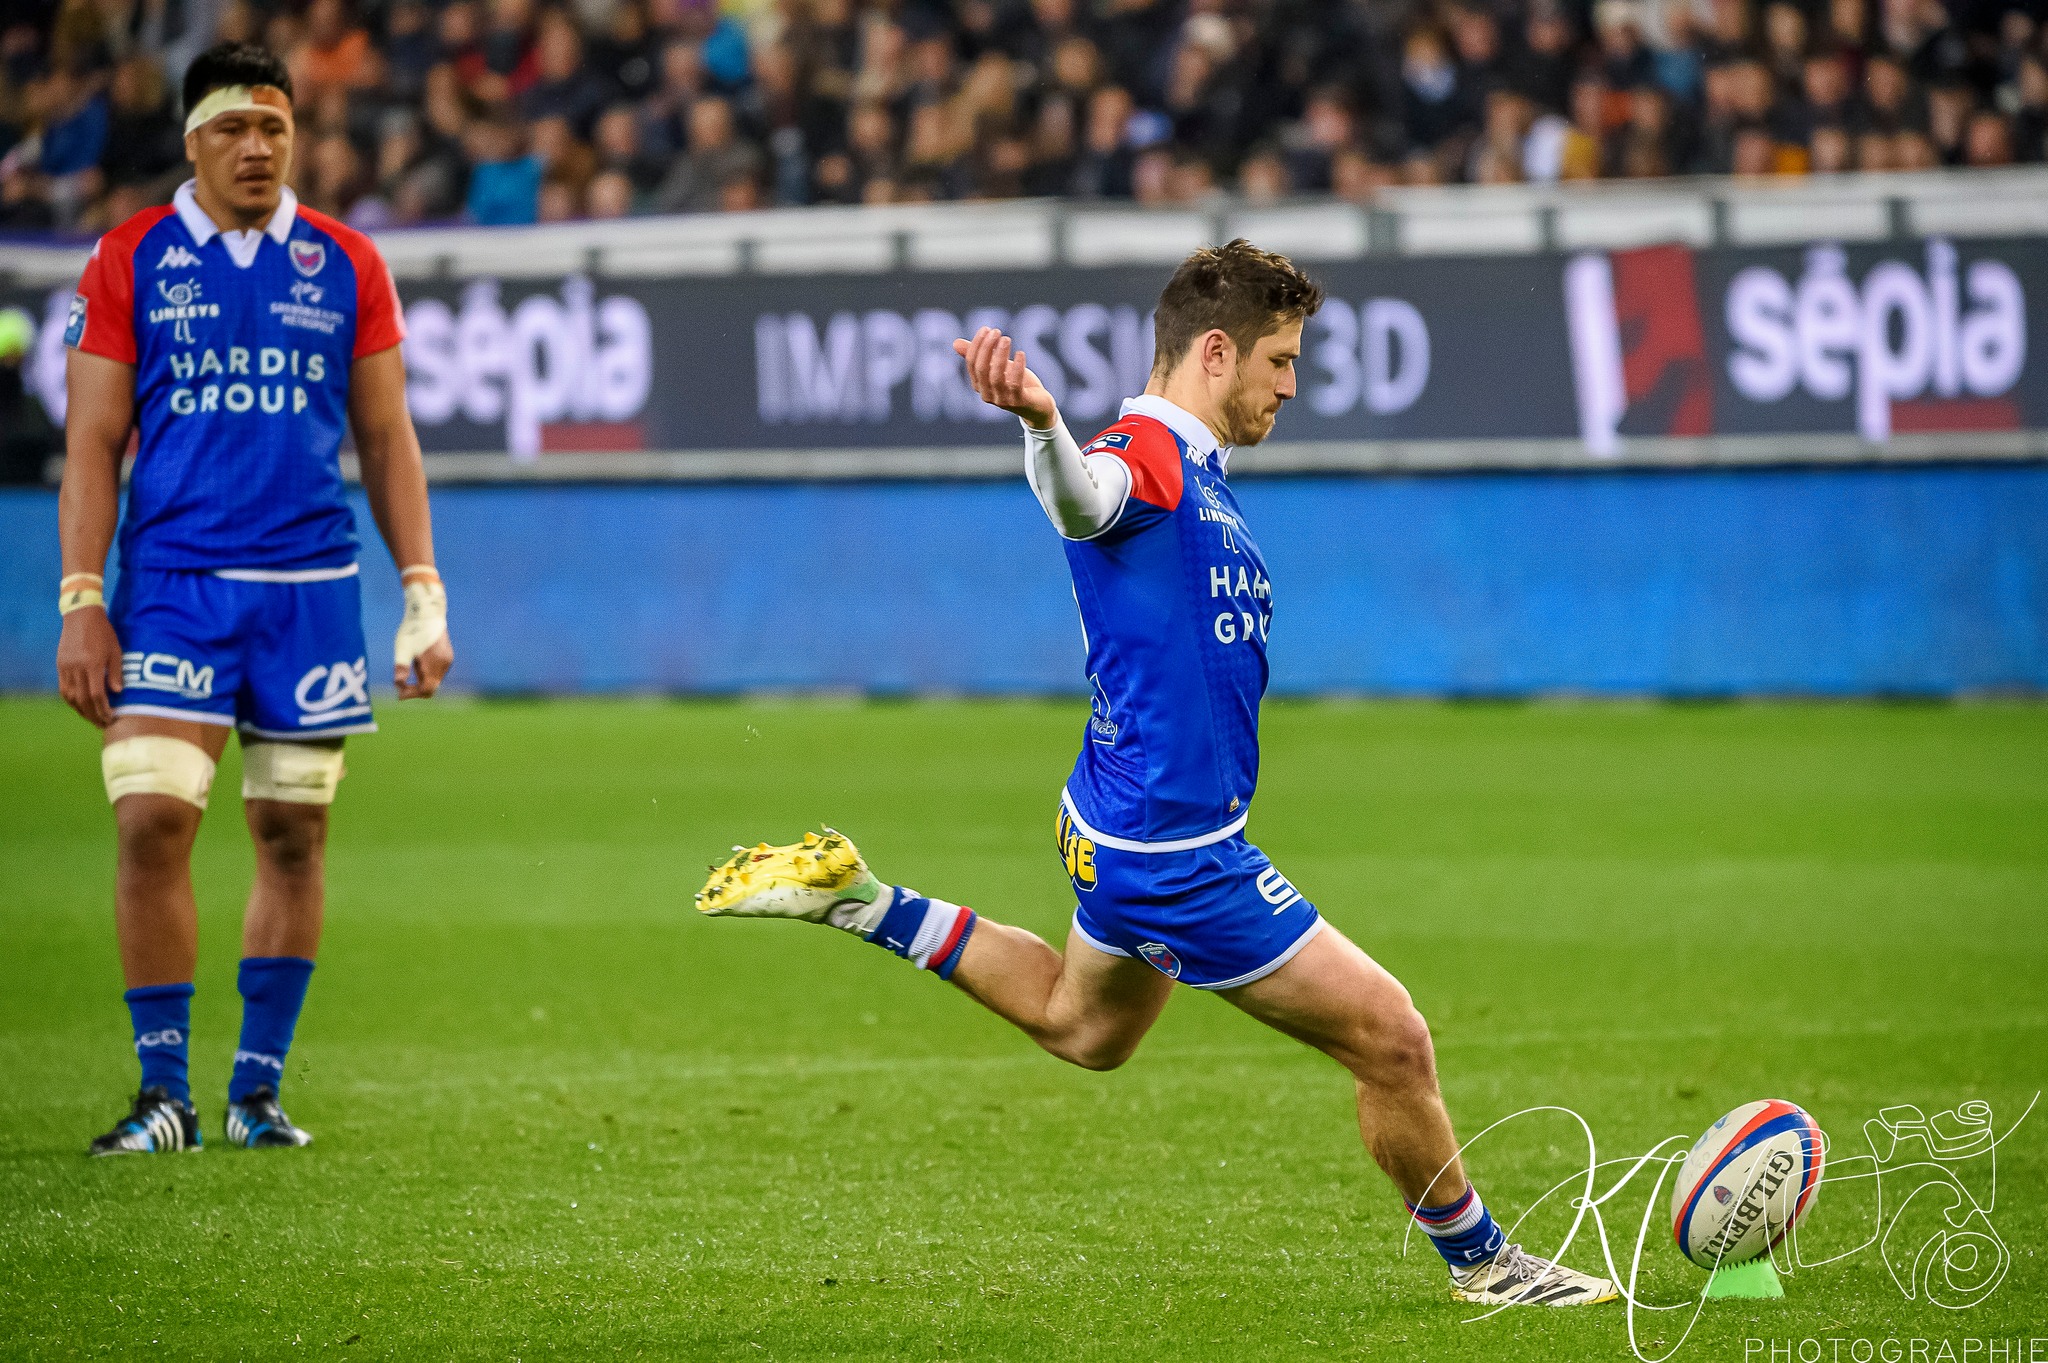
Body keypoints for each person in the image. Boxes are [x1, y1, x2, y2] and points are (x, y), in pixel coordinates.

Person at [696, 241, 1618, 1308]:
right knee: (1391, 1038)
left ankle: (860, 900)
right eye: (1279, 360)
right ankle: (1488, 1266)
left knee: (1083, 1029)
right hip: (1176, 852)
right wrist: (1040, 426)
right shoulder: (1147, 450)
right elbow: (1085, 501)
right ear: (1214, 351)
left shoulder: (1202, 479)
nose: (1288, 384)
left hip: (1113, 819)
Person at [56, 41, 455, 1156]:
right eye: (234, 128)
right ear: (193, 141)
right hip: (176, 585)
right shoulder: (129, 259)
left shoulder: (346, 263)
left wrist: (421, 589)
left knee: (289, 834)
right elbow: (91, 443)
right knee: (150, 815)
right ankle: (163, 1094)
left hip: (310, 592)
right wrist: (82, 598)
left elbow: (386, 438)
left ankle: (255, 1093)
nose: (257, 147)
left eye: (274, 128)